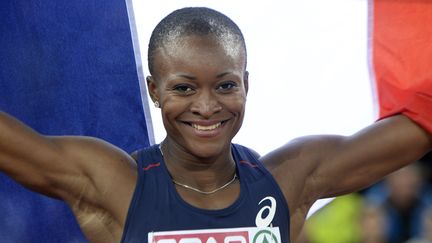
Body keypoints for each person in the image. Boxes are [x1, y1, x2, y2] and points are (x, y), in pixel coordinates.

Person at [0, 7, 431, 243]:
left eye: (225, 85)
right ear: (154, 90)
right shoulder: (116, 183)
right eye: (184, 89)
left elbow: (419, 125)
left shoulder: (290, 177)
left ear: (246, 84)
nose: (206, 107)